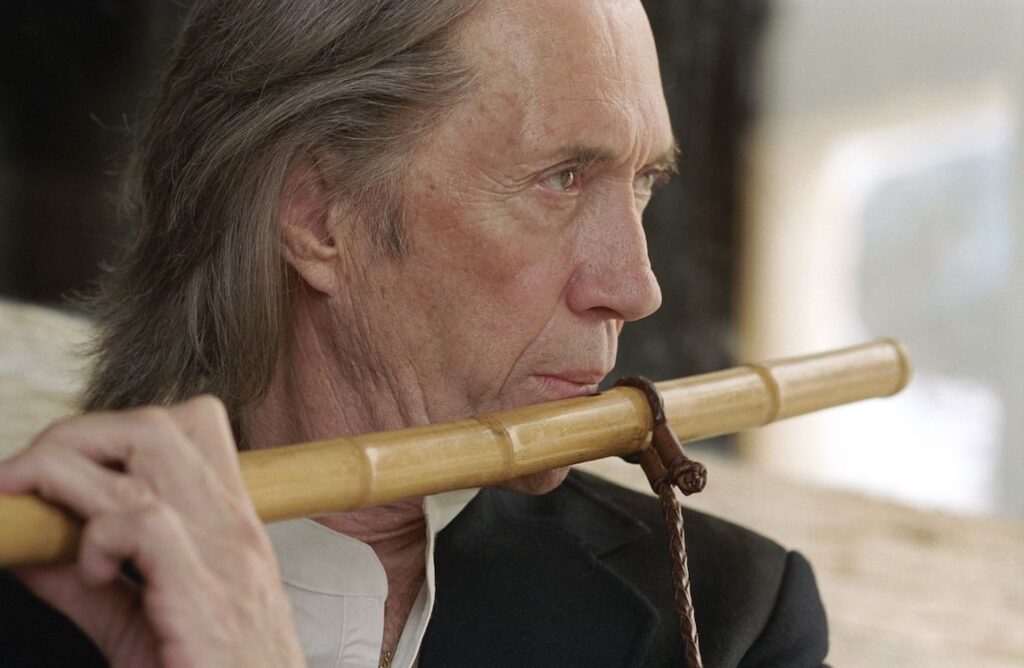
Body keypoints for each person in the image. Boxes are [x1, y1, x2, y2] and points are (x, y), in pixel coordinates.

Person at [0, 1, 829, 666]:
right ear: (320, 216)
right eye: (563, 178)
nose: (636, 287)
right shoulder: (33, 596)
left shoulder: (730, 619)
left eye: (642, 181)